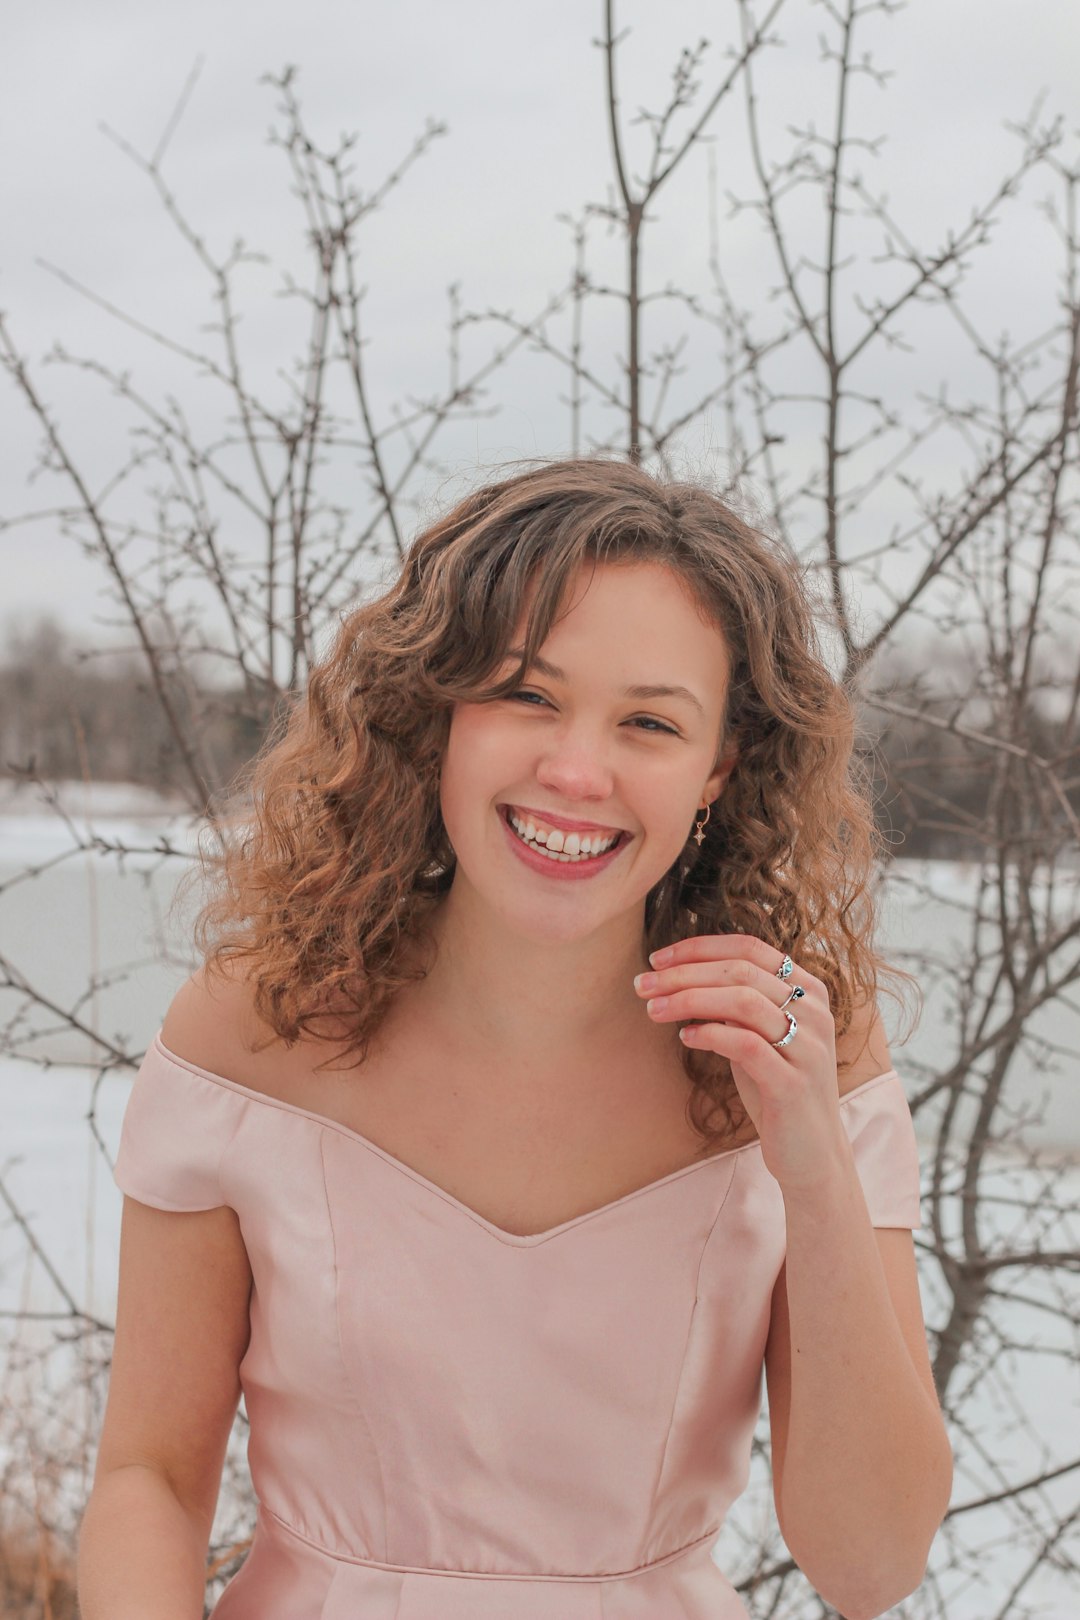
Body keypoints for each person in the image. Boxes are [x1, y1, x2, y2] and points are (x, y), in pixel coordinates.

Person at [77, 457, 952, 1619]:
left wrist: (813, 1168)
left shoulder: (802, 1051)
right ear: (438, 710)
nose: (576, 772)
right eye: (527, 696)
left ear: (718, 770)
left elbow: (871, 1565)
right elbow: (149, 1475)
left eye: (650, 721)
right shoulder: (257, 1024)